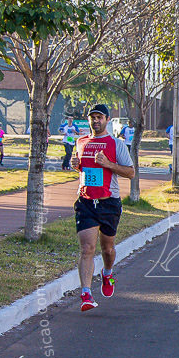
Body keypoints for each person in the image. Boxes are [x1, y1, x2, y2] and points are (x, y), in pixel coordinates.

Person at [71, 104, 135, 312]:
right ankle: (86, 294)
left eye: (99, 117)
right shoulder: (80, 142)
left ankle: (107, 273)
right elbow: (84, 169)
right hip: (86, 202)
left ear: (107, 119)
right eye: (92, 117)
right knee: (87, 248)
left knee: (107, 249)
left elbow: (130, 172)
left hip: (108, 203)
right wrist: (77, 165)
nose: (95, 121)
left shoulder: (116, 144)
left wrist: (108, 164)